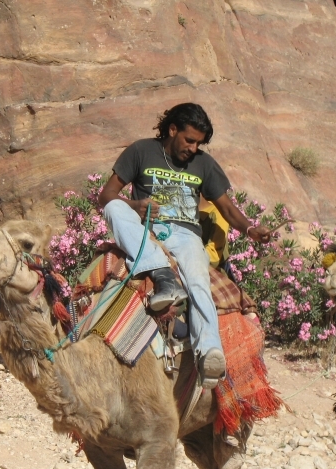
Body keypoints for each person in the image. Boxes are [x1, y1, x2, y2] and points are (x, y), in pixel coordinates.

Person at [97, 103, 271, 389]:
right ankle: (162, 275)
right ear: (173, 129)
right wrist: (135, 205)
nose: (193, 148)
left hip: (186, 235)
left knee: (198, 279)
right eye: (189, 140)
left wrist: (251, 229)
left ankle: (209, 352)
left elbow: (227, 208)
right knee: (114, 209)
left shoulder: (204, 164)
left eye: (198, 143)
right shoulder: (141, 151)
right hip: (145, 232)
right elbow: (107, 195)